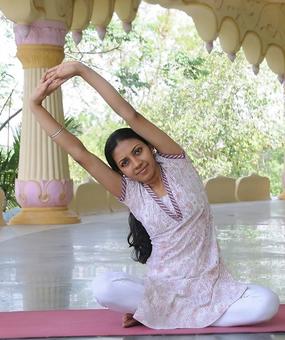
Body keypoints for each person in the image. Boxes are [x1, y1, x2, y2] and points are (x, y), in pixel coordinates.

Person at [30, 61, 280, 329]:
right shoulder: (131, 193)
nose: (135, 163)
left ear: (150, 147)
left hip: (214, 286)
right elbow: (81, 154)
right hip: (164, 288)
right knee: (104, 287)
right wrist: (35, 106)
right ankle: (178, 312)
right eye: (125, 163)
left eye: (137, 151)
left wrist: (82, 70)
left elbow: (131, 116)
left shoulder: (176, 162)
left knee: (267, 303)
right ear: (122, 172)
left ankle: (163, 314)